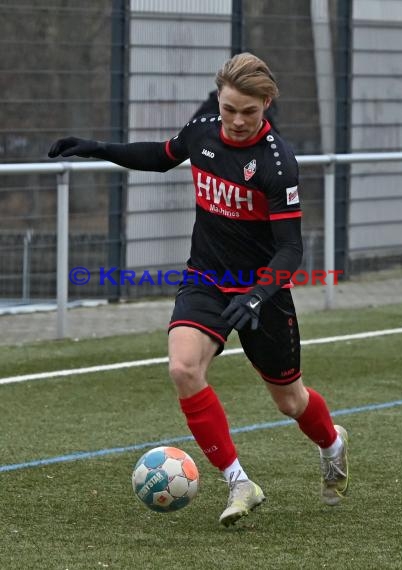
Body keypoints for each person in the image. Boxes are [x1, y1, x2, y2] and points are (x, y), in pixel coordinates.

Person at [48, 52, 349, 527]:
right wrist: (97, 147)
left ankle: (332, 444)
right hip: (205, 277)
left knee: (289, 401)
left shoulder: (278, 164)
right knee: (183, 368)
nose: (237, 120)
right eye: (230, 108)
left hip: (261, 293)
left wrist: (256, 296)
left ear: (266, 104)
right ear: (220, 99)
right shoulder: (204, 130)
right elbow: (160, 157)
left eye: (248, 111)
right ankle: (239, 482)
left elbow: (290, 250)